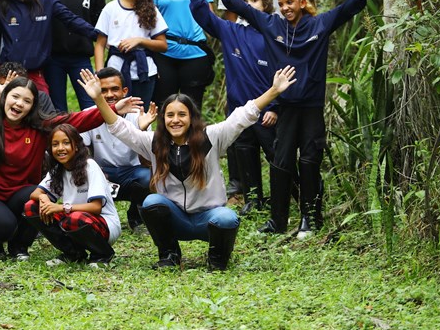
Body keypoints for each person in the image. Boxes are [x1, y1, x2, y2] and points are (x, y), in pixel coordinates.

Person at [199, 0, 396, 238]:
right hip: (287, 107)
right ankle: (277, 221)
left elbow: (348, 7)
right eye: (281, 3)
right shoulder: (271, 25)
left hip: (311, 107)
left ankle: (310, 219)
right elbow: (240, 6)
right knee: (281, 162)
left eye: (290, 2)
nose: (286, 8)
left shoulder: (320, 24)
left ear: (302, 3)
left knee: (310, 161)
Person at [0, 31, 122, 261]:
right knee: (4, 226)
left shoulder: (39, 127)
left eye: (27, 101)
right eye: (15, 97)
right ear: (5, 96)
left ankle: (20, 247)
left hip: (19, 193)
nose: (19, 103)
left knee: (39, 199)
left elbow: (79, 120)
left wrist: (114, 108)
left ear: (32, 107)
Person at [80, 65, 296, 270]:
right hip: (177, 220)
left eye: (182, 115)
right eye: (170, 115)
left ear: (191, 118)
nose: (176, 120)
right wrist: (98, 98)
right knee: (152, 201)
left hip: (209, 219)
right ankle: (169, 254)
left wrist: (274, 91)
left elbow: (243, 115)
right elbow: (120, 127)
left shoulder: (212, 137)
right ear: (163, 119)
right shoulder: (153, 142)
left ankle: (218, 257)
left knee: (227, 218)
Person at [184, 0, 278, 214]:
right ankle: (253, 200)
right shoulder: (231, 30)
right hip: (238, 107)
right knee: (245, 153)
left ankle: (291, 196)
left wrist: (276, 108)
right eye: (245, 0)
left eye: (255, 0)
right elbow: (205, 17)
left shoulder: (273, 32)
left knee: (276, 155)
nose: (249, 5)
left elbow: (286, 74)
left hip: (267, 109)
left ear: (266, 4)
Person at [24, 124, 121, 266]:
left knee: (75, 218)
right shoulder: (58, 169)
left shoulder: (90, 166)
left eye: (66, 143)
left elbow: (96, 207)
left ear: (76, 146)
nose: (60, 148)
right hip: (72, 221)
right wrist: (43, 197)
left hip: (103, 224)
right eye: (55, 144)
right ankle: (73, 253)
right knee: (31, 207)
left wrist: (61, 207)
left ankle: (102, 255)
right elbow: (35, 193)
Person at [81, 68, 156, 231]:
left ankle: (136, 216)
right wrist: (97, 174)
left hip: (131, 172)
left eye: (114, 89)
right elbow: (83, 154)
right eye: (103, 90)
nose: (109, 95)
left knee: (148, 177)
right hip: (102, 171)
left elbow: (147, 162)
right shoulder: (88, 114)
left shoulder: (138, 115)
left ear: (125, 91)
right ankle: (95, 216)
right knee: (82, 175)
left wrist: (141, 132)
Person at [149, 0, 215, 109]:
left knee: (193, 109)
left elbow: (209, 17)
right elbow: (147, 18)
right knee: (164, 108)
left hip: (195, 51)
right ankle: (164, 138)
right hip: (164, 53)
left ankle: (193, 138)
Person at [94, 0, 169, 107]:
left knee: (141, 113)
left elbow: (162, 45)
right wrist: (100, 74)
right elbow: (100, 44)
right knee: (115, 114)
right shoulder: (111, 8)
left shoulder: (150, 10)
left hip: (145, 72)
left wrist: (140, 41)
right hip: (115, 71)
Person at [44, 0, 106, 112]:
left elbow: (100, 28)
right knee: (57, 108)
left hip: (80, 58)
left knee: (90, 105)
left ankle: (93, 140)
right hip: (53, 58)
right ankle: (61, 139)